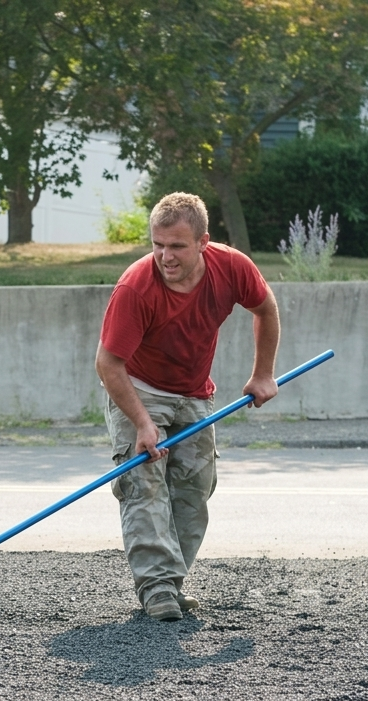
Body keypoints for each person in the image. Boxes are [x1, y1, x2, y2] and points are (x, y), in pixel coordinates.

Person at [96, 192, 280, 621]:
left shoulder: (232, 267)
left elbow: (265, 309)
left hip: (195, 392)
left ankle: (172, 582)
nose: (165, 256)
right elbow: (108, 364)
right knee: (144, 482)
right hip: (139, 388)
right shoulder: (136, 286)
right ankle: (157, 587)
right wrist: (142, 423)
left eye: (176, 246)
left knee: (194, 488)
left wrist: (263, 373)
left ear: (203, 242)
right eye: (158, 245)